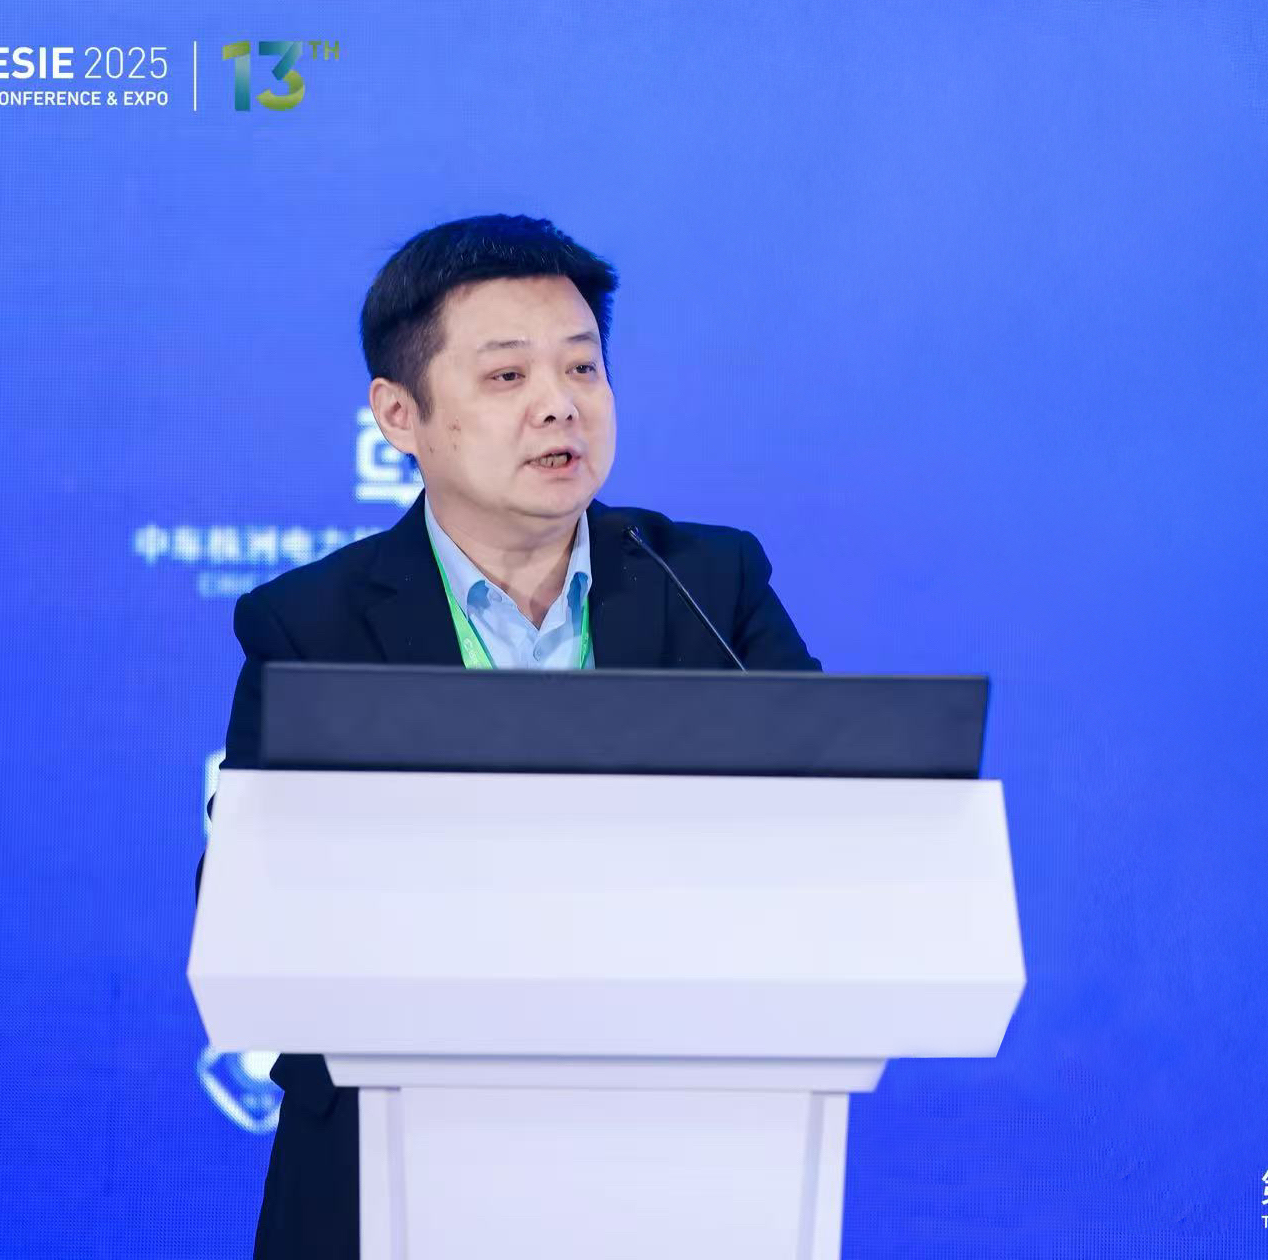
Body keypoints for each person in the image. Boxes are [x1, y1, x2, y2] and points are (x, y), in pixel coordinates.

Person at [199, 214, 821, 1259]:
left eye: (582, 367)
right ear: (398, 414)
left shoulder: (709, 582)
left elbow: (832, 826)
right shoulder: (309, 625)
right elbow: (251, 909)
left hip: (680, 1151)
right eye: (505, 376)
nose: (559, 403)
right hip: (394, 1157)